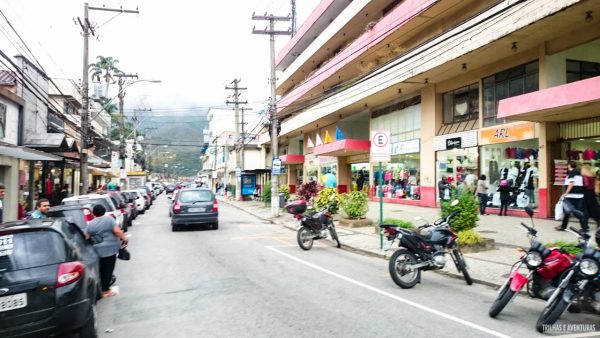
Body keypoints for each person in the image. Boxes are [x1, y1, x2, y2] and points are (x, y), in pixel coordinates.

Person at [85, 204, 128, 298]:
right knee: (108, 270)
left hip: (97, 250)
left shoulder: (90, 223)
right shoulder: (109, 219)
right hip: (110, 249)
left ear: (94, 213)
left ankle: (100, 288)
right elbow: (117, 231)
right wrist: (124, 238)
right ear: (104, 211)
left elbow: (86, 236)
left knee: (101, 269)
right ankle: (105, 290)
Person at [556, 161, 588, 232]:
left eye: (568, 165)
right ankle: (585, 228)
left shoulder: (571, 173)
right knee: (580, 212)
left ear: (569, 165)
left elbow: (571, 183)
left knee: (567, 212)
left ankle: (563, 226)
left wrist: (566, 193)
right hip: (579, 196)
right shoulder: (579, 173)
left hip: (571, 196)